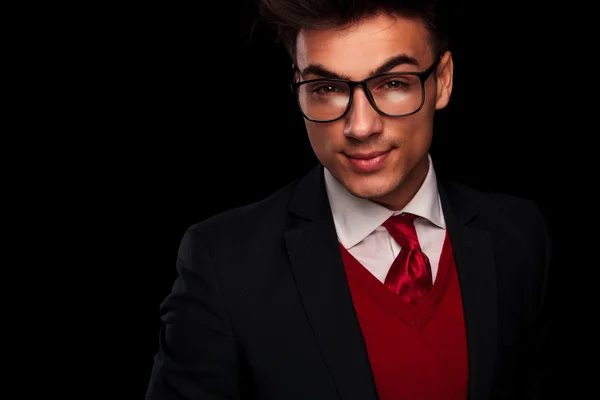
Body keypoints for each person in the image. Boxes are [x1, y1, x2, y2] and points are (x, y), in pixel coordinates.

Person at [145, 0, 553, 399]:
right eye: (327, 88)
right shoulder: (223, 262)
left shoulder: (519, 234)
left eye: (393, 83)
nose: (360, 126)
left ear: (442, 80)